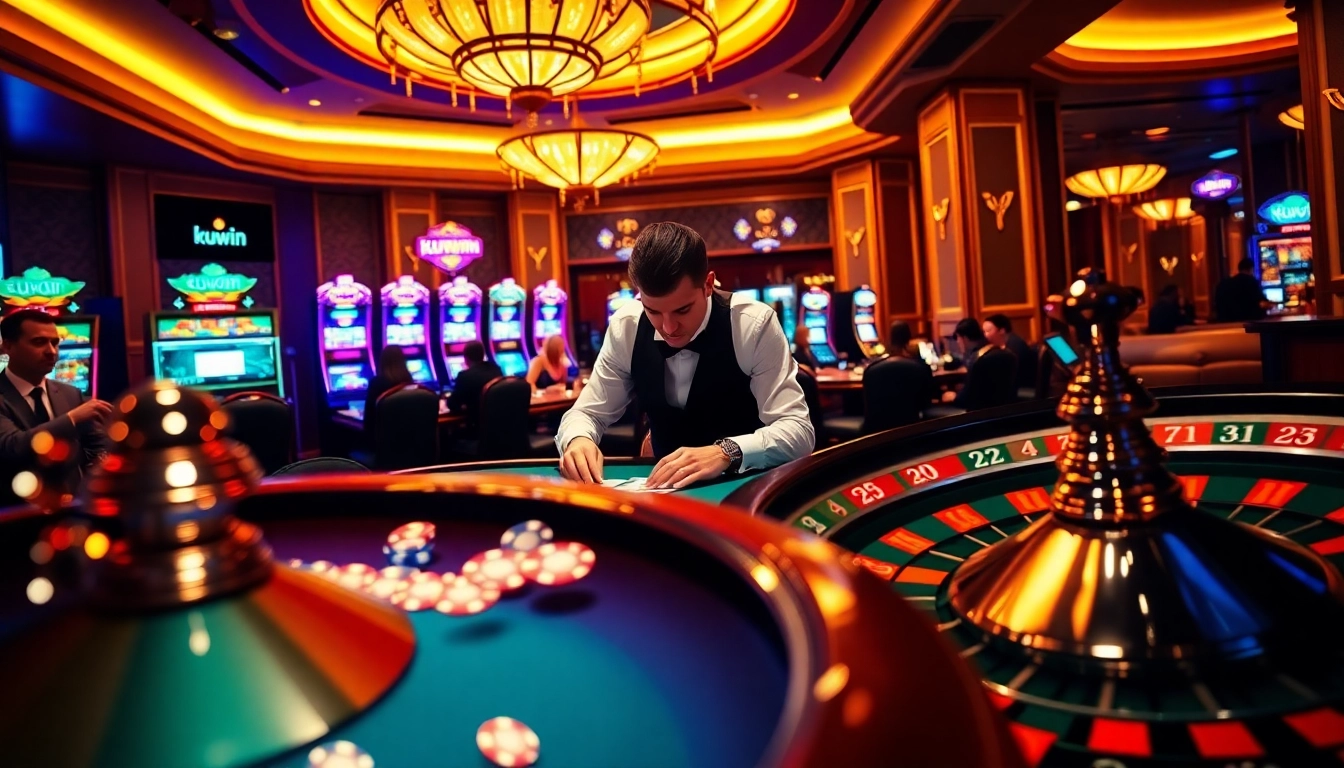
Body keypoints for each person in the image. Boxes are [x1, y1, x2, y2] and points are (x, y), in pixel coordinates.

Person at [557, 222, 814, 488]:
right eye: (653, 311)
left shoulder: (752, 324)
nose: (668, 328)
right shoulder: (627, 326)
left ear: (708, 284)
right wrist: (578, 440)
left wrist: (726, 452)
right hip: (663, 491)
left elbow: (798, 431)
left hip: (749, 486)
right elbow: (585, 413)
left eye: (682, 310)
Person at [0, 309, 111, 501]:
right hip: (17, 516)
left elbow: (96, 444)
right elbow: (13, 447)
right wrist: (71, 419)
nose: (51, 351)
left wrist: (95, 476)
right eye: (39, 342)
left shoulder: (69, 393)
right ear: (8, 347)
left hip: (73, 510)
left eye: (55, 343)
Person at [446, 340, 503, 433]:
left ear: (466, 358)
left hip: (476, 432)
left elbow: (452, 405)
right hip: (498, 431)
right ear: (483, 355)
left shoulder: (464, 376)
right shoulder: (497, 370)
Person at [362, 344, 413, 445]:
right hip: (410, 443)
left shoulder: (376, 383)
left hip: (382, 444)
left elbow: (368, 421)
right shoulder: (410, 381)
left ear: (382, 362)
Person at [982, 314, 1038, 391]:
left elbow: (1010, 379)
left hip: (1025, 393)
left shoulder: (1014, 346)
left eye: (988, 331)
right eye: (984, 332)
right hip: (1021, 389)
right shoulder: (1010, 342)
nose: (986, 335)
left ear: (1002, 330)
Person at [941, 317, 990, 404]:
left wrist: (954, 396)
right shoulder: (988, 351)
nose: (958, 342)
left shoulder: (975, 359)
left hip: (974, 408)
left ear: (965, 338)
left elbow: (968, 396)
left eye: (958, 338)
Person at [1214, 257, 1269, 322]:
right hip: (1248, 322)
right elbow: (1262, 301)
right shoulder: (1251, 282)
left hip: (1227, 321)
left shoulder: (1224, 283)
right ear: (1251, 269)